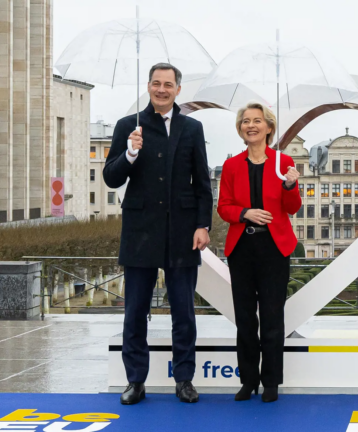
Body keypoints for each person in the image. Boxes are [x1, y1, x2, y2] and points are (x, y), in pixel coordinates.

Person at [103, 63, 213, 405]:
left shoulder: (192, 128)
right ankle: (135, 381)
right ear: (148, 86)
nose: (161, 89)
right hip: (140, 233)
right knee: (135, 311)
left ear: (178, 89)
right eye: (156, 83)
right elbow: (111, 177)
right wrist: (130, 153)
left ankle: (184, 380)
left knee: (184, 312)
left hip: (183, 233)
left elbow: (203, 185)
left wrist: (202, 225)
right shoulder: (128, 126)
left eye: (168, 84)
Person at [216, 102, 301, 402]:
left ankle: (272, 382)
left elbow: (292, 208)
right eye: (245, 121)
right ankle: (249, 379)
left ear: (268, 127)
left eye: (257, 121)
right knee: (245, 319)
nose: (250, 125)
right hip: (242, 247)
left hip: (274, 248)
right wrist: (245, 214)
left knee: (272, 316)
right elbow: (223, 207)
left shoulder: (283, 161)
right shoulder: (231, 165)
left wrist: (291, 186)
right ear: (240, 129)